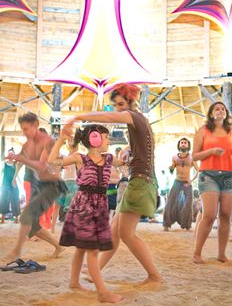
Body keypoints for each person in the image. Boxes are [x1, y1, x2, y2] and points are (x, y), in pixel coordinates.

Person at [62, 83, 161, 285]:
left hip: (141, 181)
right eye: (116, 104)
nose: (119, 109)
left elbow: (109, 118)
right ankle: (94, 270)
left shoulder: (133, 116)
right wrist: (128, 150)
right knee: (115, 231)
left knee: (125, 233)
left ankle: (154, 275)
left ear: (131, 102)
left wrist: (79, 117)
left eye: (121, 104)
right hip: (141, 179)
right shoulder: (141, 121)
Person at [48, 124, 124, 303]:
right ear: (94, 139)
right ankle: (102, 292)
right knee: (92, 250)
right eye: (106, 137)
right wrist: (60, 140)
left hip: (100, 205)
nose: (108, 141)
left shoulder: (109, 158)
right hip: (84, 205)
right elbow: (53, 161)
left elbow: (124, 163)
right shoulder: (79, 158)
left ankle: (74, 282)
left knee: (82, 247)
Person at [1, 112, 67, 263]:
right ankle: (58, 246)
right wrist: (12, 158)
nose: (24, 132)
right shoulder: (27, 145)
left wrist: (20, 158)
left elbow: (40, 165)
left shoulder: (47, 142)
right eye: (22, 129)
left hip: (53, 185)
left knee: (26, 216)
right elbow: (20, 159)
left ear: (35, 125)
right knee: (32, 226)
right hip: (39, 185)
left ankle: (16, 251)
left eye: (26, 129)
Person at [192, 101, 232, 264]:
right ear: (210, 114)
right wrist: (212, 151)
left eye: (223, 109)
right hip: (208, 175)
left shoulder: (231, 131)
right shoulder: (203, 131)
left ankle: (221, 254)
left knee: (225, 215)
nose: (220, 111)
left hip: (229, 176)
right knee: (209, 215)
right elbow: (194, 156)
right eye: (217, 109)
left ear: (226, 114)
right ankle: (197, 253)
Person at [163, 138, 198, 231]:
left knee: (187, 204)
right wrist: (170, 168)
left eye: (185, 143)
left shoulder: (192, 157)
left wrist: (191, 181)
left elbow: (198, 171)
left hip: (187, 183)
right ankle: (166, 225)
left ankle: (187, 226)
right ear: (179, 145)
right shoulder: (174, 157)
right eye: (181, 143)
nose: (183, 144)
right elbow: (172, 170)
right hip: (177, 182)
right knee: (170, 202)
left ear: (188, 145)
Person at [50, 137, 79, 233]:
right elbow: (56, 169)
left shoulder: (76, 155)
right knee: (56, 206)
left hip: (72, 183)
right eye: (69, 141)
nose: (70, 142)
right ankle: (52, 228)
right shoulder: (64, 156)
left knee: (71, 208)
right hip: (63, 182)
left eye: (72, 141)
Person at [0, 148, 20, 224]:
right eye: (9, 153)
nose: (10, 155)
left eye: (12, 153)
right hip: (5, 184)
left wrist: (19, 183)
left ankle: (16, 218)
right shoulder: (3, 163)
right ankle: (2, 219)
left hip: (14, 184)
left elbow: (17, 174)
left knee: (15, 200)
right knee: (3, 200)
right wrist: (6, 157)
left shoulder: (16, 164)